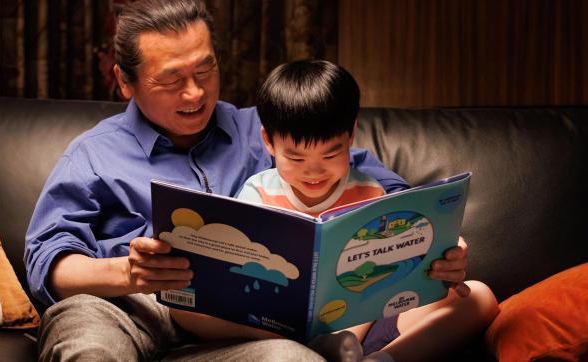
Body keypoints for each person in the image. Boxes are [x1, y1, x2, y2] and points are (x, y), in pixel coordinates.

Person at [24, 0, 488, 361]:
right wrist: (129, 273)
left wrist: (435, 246)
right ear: (124, 82)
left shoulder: (266, 131)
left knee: (293, 358)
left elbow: (383, 195)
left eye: (206, 70)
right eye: (172, 80)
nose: (196, 92)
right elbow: (47, 260)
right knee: (92, 349)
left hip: (243, 329)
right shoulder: (93, 153)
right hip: (126, 307)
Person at [173, 59, 498, 361]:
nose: (314, 173)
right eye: (296, 158)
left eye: (331, 155)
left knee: (480, 298)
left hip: (363, 330)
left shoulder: (372, 193)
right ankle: (328, 349)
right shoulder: (256, 193)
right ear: (269, 142)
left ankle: (383, 359)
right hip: (275, 331)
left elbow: (387, 280)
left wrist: (437, 254)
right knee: (180, 304)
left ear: (350, 135)